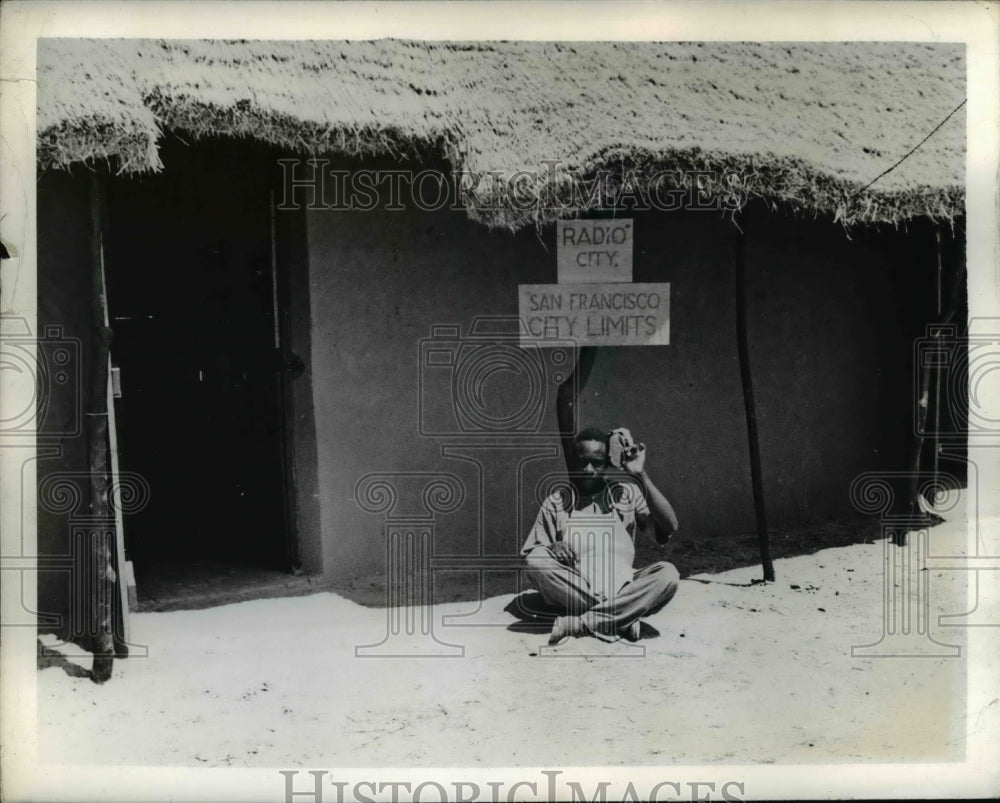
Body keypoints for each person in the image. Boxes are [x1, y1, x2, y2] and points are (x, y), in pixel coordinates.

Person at [521, 426, 681, 644]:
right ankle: (622, 616)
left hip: (625, 584)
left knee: (668, 574)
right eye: (582, 462)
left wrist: (639, 475)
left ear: (606, 463)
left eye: (596, 463)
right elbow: (531, 558)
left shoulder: (625, 494)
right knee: (536, 560)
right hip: (577, 588)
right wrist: (552, 547)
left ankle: (582, 624)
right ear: (573, 461)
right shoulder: (557, 502)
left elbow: (670, 526)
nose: (588, 469)